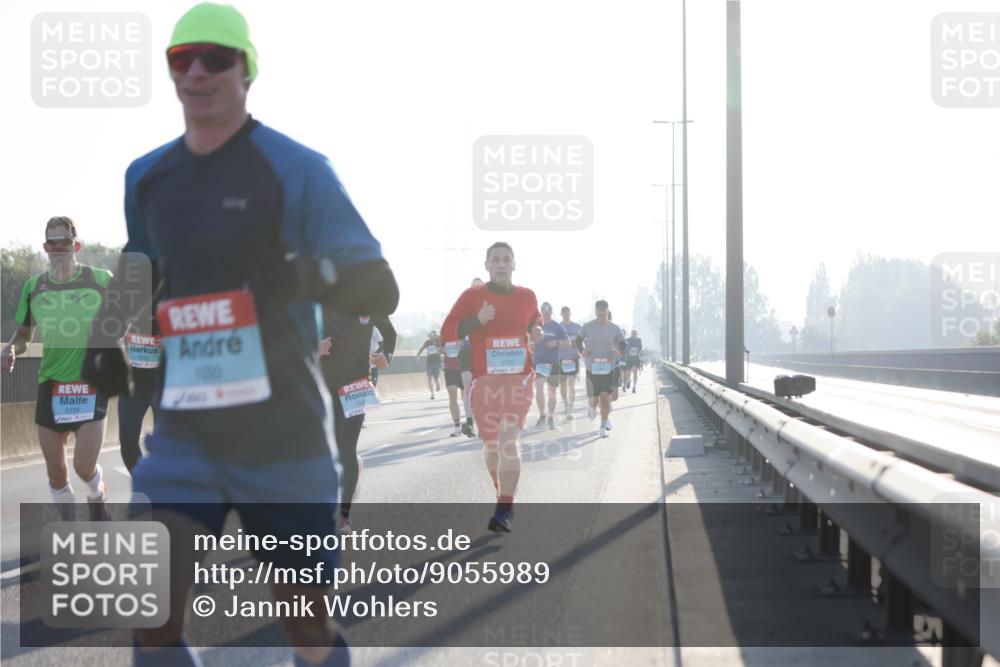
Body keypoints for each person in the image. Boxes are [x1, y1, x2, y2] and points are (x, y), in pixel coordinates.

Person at [81, 5, 399, 666]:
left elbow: (379, 287)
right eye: (182, 58)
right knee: (152, 614)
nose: (197, 72)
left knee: (306, 628)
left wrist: (305, 274)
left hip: (284, 439)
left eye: (216, 58)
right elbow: (141, 267)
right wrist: (105, 340)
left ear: (247, 71)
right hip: (186, 435)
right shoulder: (146, 176)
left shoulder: (299, 169)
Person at [1, 217, 113, 521]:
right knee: (56, 472)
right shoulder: (34, 287)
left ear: (77, 245)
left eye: (65, 241)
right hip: (51, 385)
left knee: (83, 467)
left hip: (91, 384)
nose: (59, 247)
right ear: (45, 247)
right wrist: (10, 349)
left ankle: (96, 492)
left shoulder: (101, 280)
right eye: (53, 242)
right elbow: (24, 336)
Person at [441, 242, 541, 532]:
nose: (501, 264)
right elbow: (448, 331)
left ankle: (504, 509)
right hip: (485, 381)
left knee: (509, 441)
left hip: (520, 379)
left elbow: (534, 319)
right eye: (495, 259)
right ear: (486, 265)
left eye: (506, 259)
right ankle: (502, 490)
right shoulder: (472, 296)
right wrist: (477, 320)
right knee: (491, 446)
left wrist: (536, 329)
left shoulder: (527, 296)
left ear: (514, 264)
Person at [319, 313, 394, 532]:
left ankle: (343, 515)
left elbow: (390, 332)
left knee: (346, 447)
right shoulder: (320, 299)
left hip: (357, 385)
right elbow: (292, 330)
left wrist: (386, 355)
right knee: (329, 451)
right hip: (324, 383)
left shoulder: (367, 300)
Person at [577, 300, 625, 438]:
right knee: (594, 401)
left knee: (605, 399)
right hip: (591, 368)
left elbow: (623, 344)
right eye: (599, 315)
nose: (602, 317)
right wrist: (582, 350)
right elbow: (577, 340)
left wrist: (618, 351)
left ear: (607, 312)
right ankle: (591, 407)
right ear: (596, 312)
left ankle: (603, 427)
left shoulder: (615, 328)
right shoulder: (587, 326)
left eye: (604, 314)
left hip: (608, 368)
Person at [531, 302, 569, 430]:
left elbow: (568, 343)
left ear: (551, 313)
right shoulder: (535, 326)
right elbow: (528, 340)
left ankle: (550, 416)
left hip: (553, 363)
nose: (545, 315)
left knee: (552, 392)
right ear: (541, 313)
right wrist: (530, 345)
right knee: (539, 387)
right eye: (543, 312)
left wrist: (557, 343)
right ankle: (542, 415)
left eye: (548, 312)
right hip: (539, 363)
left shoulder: (557, 327)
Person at [557, 306, 582, 419]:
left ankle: (570, 409)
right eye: (564, 313)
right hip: (560, 359)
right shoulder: (558, 327)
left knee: (571, 384)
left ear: (570, 314)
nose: (566, 315)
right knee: (563, 386)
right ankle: (565, 404)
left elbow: (582, 341)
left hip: (573, 359)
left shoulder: (577, 327)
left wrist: (581, 351)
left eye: (567, 313)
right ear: (561, 314)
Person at [417, 330, 442, 399]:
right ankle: (432, 394)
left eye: (432, 335)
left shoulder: (438, 341)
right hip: (429, 362)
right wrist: (418, 355)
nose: (431, 337)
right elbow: (422, 348)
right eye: (430, 335)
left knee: (436, 378)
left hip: (437, 361)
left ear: (435, 335)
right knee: (429, 378)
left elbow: (441, 349)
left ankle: (438, 384)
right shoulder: (427, 342)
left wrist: (437, 347)